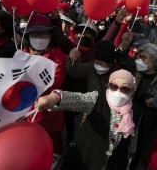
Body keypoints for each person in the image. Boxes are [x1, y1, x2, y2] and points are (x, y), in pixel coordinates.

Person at [35, 69, 142, 170]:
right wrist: (55, 98)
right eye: (113, 86)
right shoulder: (97, 97)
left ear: (131, 91)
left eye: (124, 88)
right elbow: (79, 99)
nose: (118, 91)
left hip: (113, 163)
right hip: (87, 157)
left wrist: (130, 155)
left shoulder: (136, 110)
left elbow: (133, 135)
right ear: (108, 86)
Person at [116, 32, 157, 168]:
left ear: (154, 61)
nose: (138, 59)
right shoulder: (135, 69)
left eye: (143, 57)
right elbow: (122, 58)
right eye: (138, 56)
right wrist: (124, 44)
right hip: (129, 115)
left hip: (147, 121)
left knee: (139, 148)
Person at [17, 14, 66, 169]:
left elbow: (56, 80)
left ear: (50, 35)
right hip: (25, 103)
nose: (39, 37)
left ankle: (57, 153)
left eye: (43, 33)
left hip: (47, 102)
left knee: (53, 133)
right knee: (29, 132)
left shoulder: (57, 55)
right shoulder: (23, 52)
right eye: (35, 34)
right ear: (28, 36)